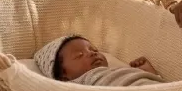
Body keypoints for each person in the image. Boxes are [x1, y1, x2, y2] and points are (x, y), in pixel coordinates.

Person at [34, 35, 166, 86]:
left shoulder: (116, 71)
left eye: (94, 50)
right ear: (64, 77)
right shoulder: (76, 86)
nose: (91, 54)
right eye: (79, 55)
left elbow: (139, 81)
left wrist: (148, 73)